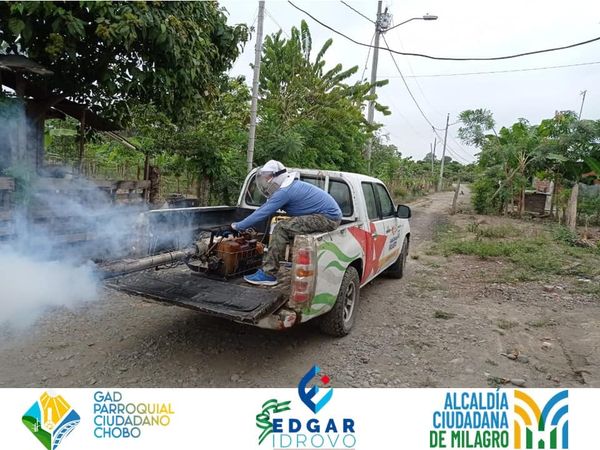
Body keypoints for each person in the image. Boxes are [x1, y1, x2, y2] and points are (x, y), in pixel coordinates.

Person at [232, 160, 342, 286]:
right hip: (328, 216)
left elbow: (261, 213)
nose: (265, 181)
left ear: (277, 176)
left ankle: (268, 274)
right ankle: (293, 263)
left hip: (328, 218)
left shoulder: (284, 192)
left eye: (267, 177)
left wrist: (237, 226)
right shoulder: (289, 187)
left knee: (281, 228)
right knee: (291, 227)